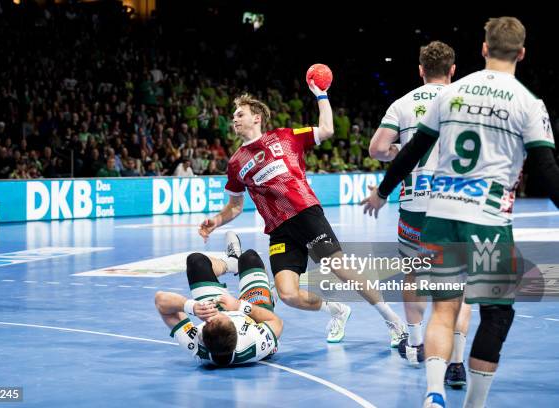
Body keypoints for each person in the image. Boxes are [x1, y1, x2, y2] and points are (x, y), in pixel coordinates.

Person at [362, 17, 559, 408]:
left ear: (483, 48)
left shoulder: (448, 96)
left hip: (441, 216)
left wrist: (383, 193)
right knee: (496, 312)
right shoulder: (528, 103)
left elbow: (411, 151)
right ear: (521, 53)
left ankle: (433, 394)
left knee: (443, 308)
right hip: (488, 221)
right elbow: (546, 171)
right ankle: (473, 403)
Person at [199, 81, 406, 344]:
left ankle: (392, 320)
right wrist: (215, 221)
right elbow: (235, 206)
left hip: (305, 213)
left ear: (256, 117)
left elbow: (328, 129)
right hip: (279, 229)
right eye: (233, 117)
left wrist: (321, 94)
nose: (234, 120)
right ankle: (336, 310)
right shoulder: (235, 162)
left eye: (239, 114)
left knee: (340, 269)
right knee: (287, 294)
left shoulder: (286, 137)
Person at [369, 41, 472, 383]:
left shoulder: (403, 103)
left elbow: (378, 149)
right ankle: (456, 362)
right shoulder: (468, 100)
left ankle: (415, 344)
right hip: (457, 204)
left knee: (412, 275)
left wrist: (401, 149)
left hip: (415, 205)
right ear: (452, 70)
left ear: (420, 70)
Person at [155, 232, 282, 366]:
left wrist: (191, 307)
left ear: (202, 337)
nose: (217, 313)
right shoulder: (255, 341)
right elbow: (276, 322)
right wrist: (239, 306)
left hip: (226, 313)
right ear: (234, 326)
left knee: (196, 261)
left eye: (211, 318)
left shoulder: (196, 344)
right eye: (221, 316)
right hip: (253, 317)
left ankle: (232, 262)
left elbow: (160, 301)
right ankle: (269, 296)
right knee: (250, 258)